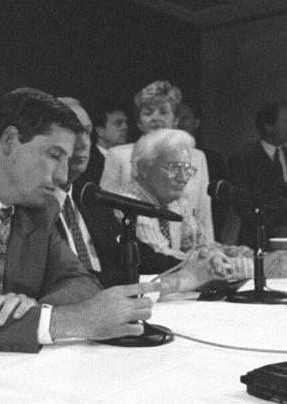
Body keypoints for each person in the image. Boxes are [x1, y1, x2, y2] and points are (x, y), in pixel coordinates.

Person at [0, 88, 226, 354]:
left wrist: (30, 306)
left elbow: (81, 283)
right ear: (10, 141)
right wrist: (67, 320)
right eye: (53, 155)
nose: (63, 175)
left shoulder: (39, 208)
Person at [55, 98, 193, 288]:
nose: (83, 142)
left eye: (86, 131)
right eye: (73, 132)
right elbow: (73, 278)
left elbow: (141, 257)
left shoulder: (88, 196)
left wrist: (192, 267)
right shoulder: (35, 207)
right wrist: (174, 282)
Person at [117, 128, 252, 276]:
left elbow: (199, 246)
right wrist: (239, 265)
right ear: (144, 169)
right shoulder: (130, 205)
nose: (183, 177)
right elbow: (163, 258)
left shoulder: (175, 202)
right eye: (174, 167)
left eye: (187, 168)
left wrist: (246, 254)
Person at [99, 81, 213, 243]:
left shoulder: (197, 157)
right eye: (148, 113)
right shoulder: (119, 156)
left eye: (163, 112)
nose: (156, 118)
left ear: (175, 120)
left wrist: (208, 255)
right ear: (139, 123)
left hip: (189, 253)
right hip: (139, 251)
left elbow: (204, 216)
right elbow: (106, 213)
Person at [226, 101, 287, 249]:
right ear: (268, 126)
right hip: (257, 242)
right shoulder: (244, 157)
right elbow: (241, 203)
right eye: (285, 121)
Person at [175, 102, 229, 238]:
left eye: (185, 118)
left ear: (196, 122)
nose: (180, 124)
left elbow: (220, 203)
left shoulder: (209, 159)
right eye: (176, 119)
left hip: (205, 233)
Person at [85, 100, 129, 184]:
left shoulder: (130, 158)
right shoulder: (88, 162)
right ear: (100, 131)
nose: (125, 127)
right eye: (118, 123)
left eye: (126, 122)